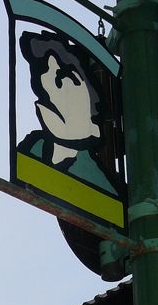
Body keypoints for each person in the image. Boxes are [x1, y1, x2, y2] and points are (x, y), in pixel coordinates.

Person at [17, 30, 117, 195]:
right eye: (49, 80)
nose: (56, 97)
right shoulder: (30, 152)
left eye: (65, 80)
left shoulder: (100, 186)